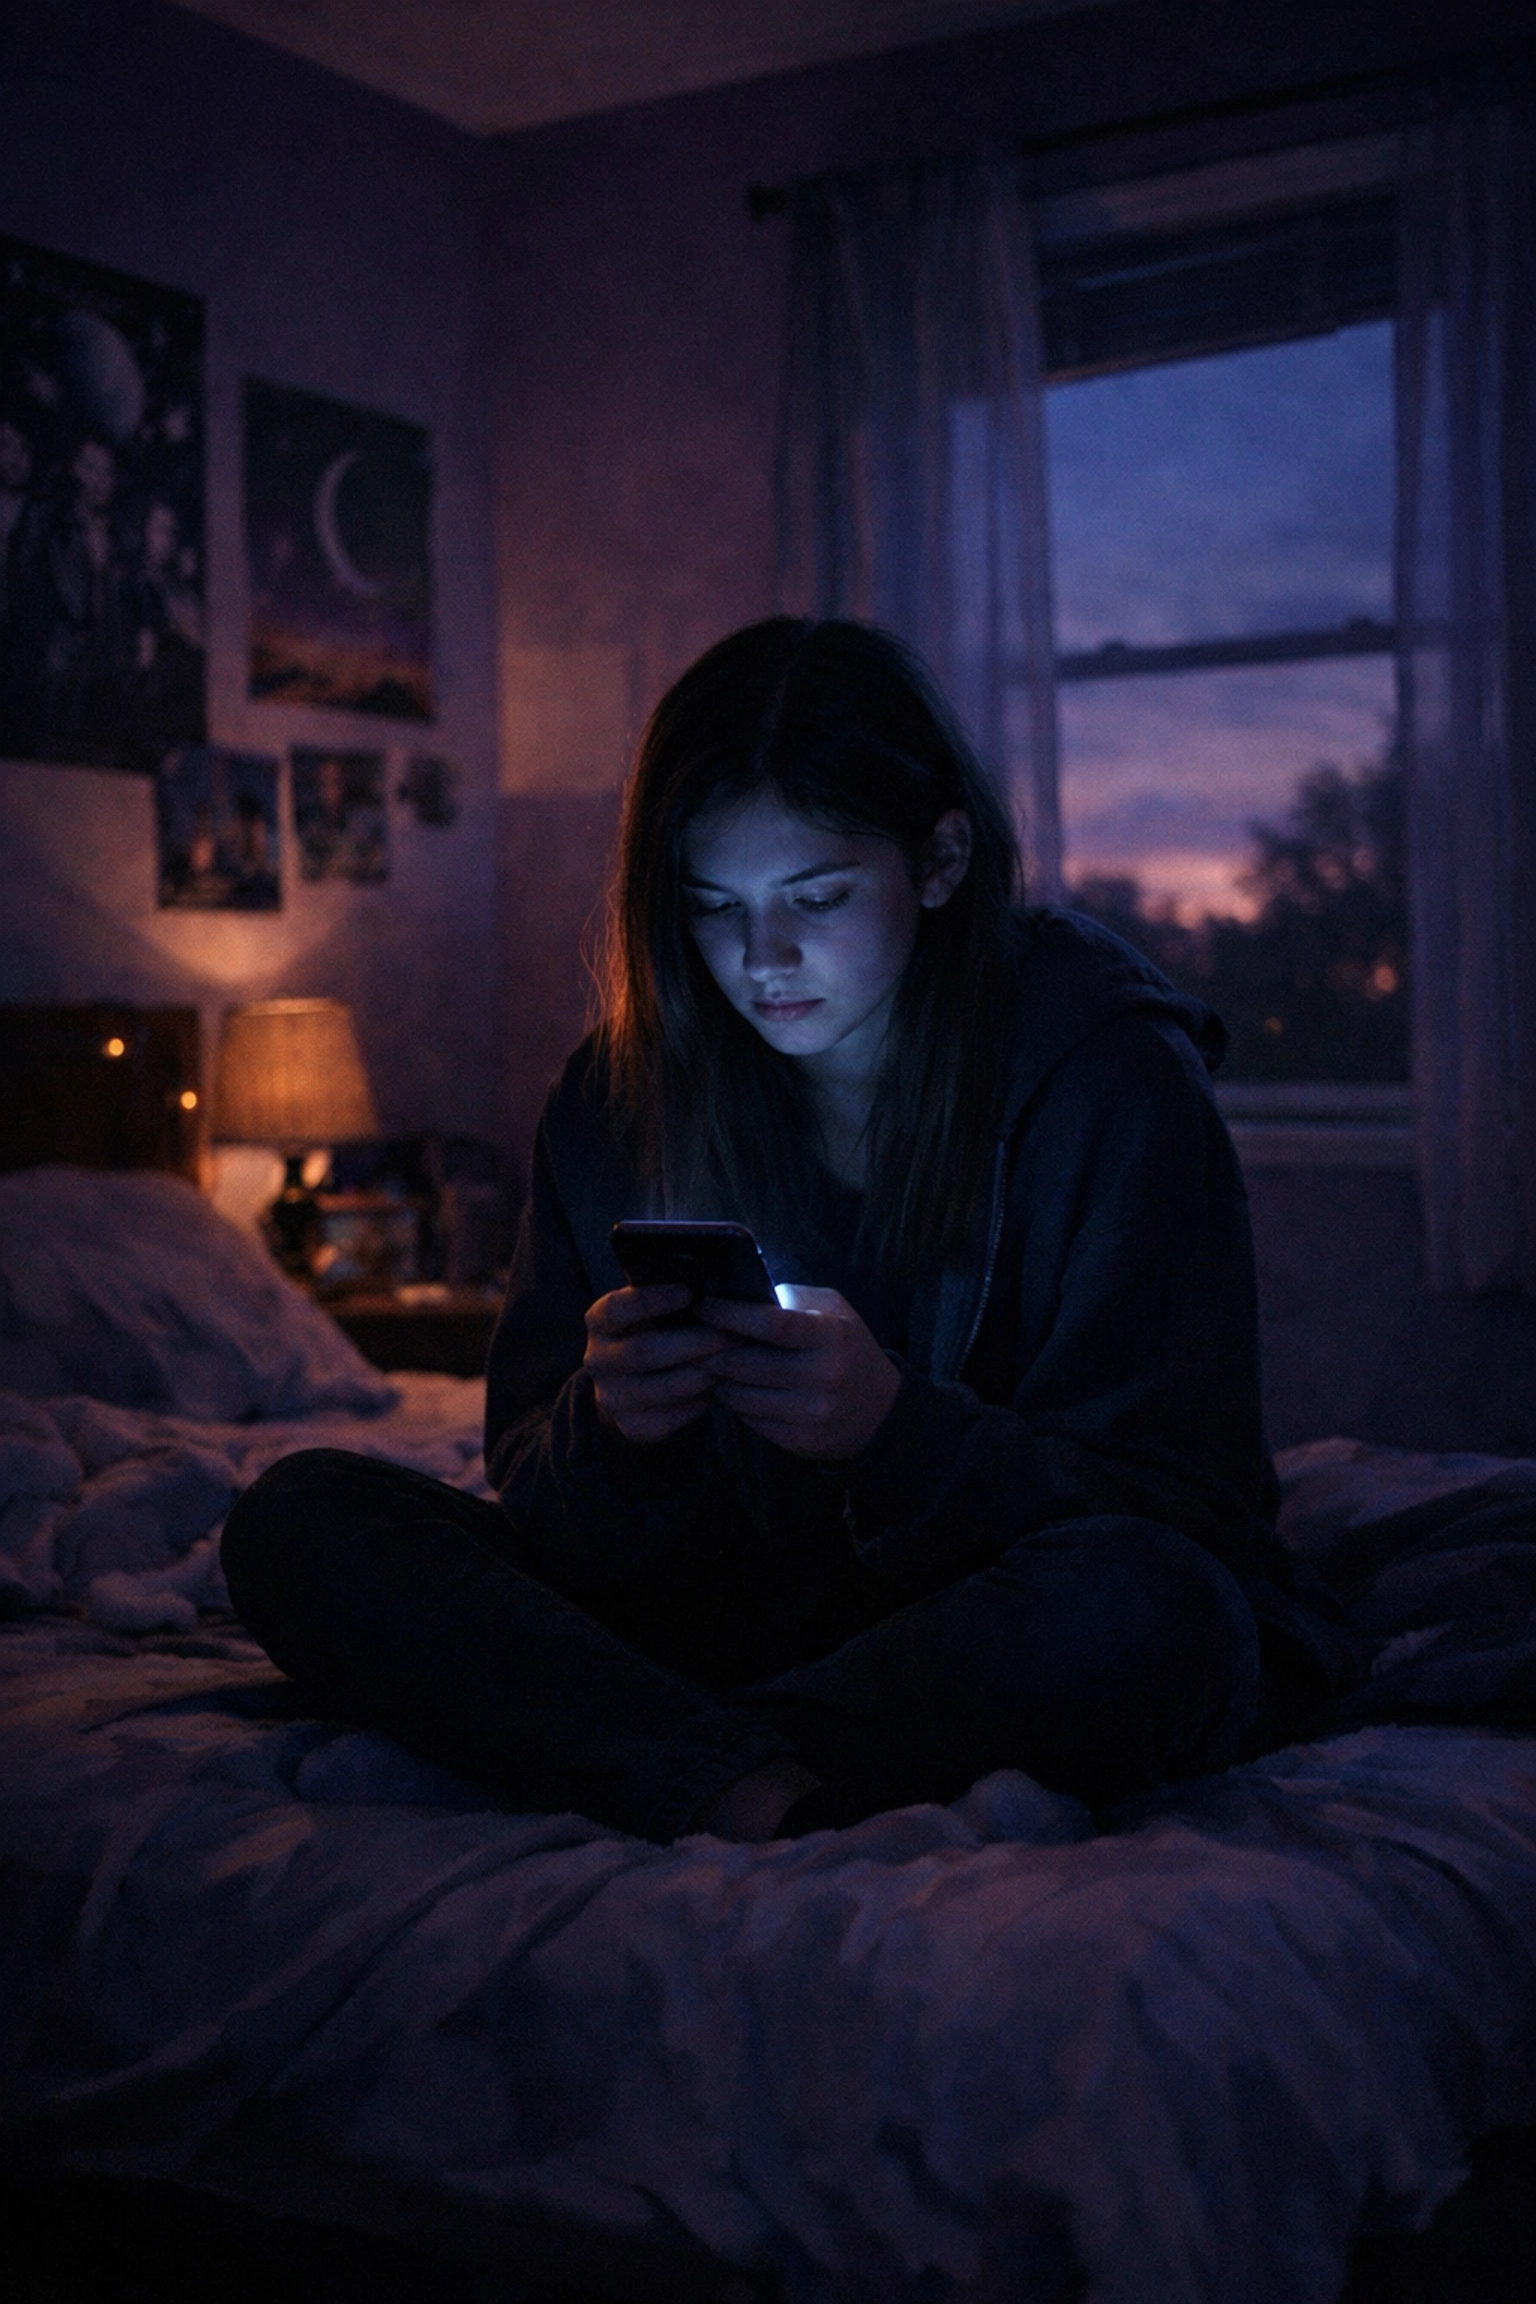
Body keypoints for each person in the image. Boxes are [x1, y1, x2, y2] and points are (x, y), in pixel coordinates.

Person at [224, 618, 1357, 1844]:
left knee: (1154, 1611)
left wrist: (895, 1435)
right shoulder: (619, 1097)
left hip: (966, 1618)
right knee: (301, 1516)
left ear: (940, 861)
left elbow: (1183, 1514)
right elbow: (544, 1502)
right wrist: (614, 1433)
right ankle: (761, 1783)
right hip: (719, 1617)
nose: (764, 959)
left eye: (817, 897)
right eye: (715, 908)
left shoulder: (1107, 1076)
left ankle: (674, 1757)